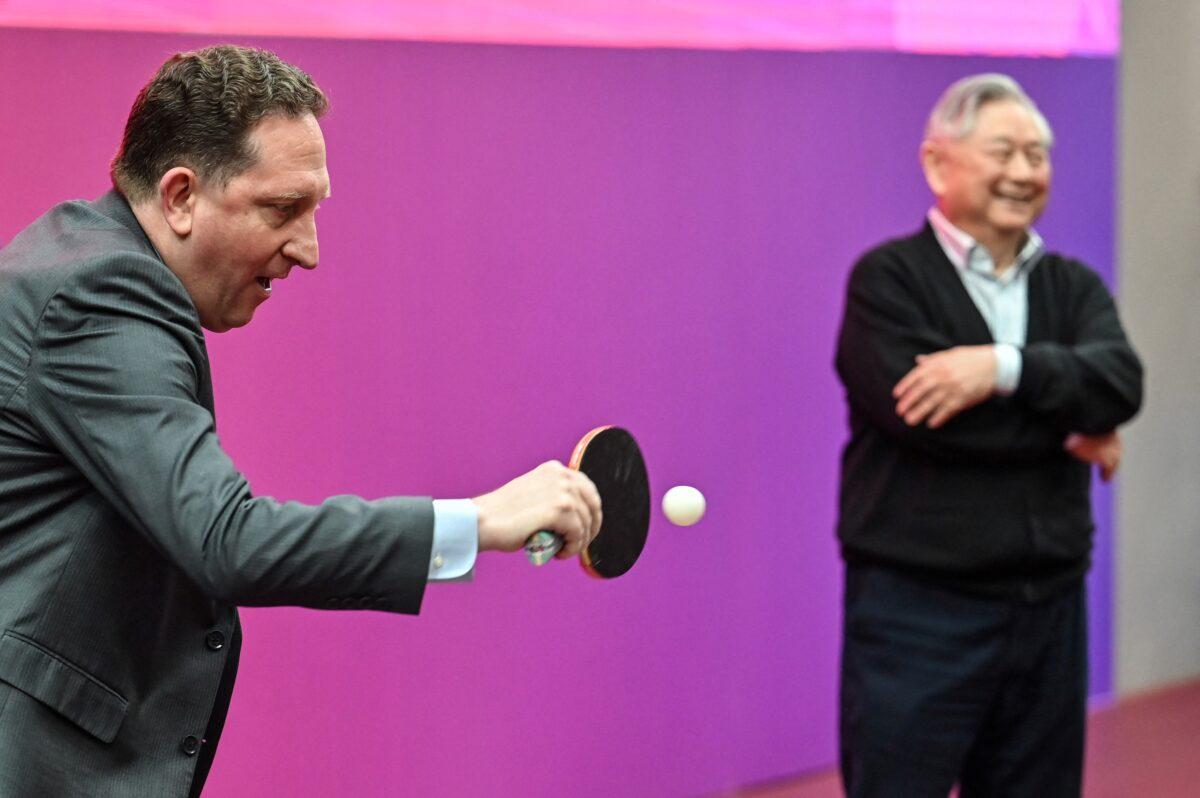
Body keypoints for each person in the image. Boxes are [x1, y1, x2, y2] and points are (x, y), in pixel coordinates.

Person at [0, 45, 601, 797]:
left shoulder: (79, 254)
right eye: (282, 209)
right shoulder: (103, 291)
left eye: (315, 210)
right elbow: (228, 542)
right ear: (180, 196)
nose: (307, 251)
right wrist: (476, 519)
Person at [834, 73, 1143, 797]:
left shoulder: (1072, 286)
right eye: (1003, 150)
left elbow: (1123, 382)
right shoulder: (888, 281)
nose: (1023, 172)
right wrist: (1070, 419)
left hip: (1049, 611)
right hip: (917, 616)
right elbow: (930, 425)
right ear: (938, 163)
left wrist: (1001, 368)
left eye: (1036, 155)